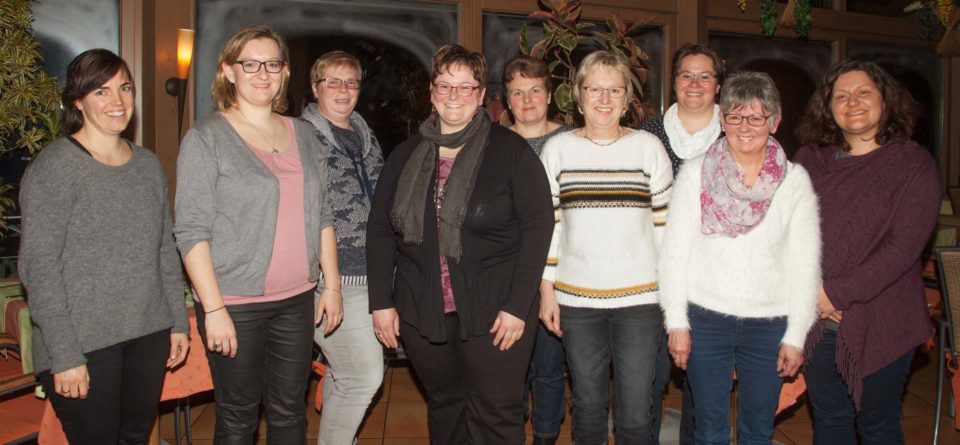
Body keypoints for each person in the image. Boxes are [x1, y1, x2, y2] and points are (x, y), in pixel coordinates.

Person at [367, 44, 554, 444]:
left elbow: (538, 229)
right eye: (445, 85)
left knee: (495, 413)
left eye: (465, 86)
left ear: (481, 95)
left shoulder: (511, 152)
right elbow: (380, 229)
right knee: (446, 405)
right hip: (422, 310)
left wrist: (517, 306)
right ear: (432, 92)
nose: (454, 95)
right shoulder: (405, 155)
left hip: (496, 311)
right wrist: (381, 301)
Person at [174, 26, 341, 444]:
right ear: (228, 71)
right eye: (250, 64)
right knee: (238, 417)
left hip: (297, 298)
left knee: (290, 413)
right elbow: (191, 230)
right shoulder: (206, 137)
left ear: (285, 72)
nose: (262, 74)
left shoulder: (304, 134)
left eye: (272, 64)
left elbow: (323, 214)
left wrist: (332, 285)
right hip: (235, 303)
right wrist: (213, 309)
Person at [19, 48, 189, 443]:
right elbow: (40, 269)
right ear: (77, 101)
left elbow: (164, 251)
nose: (118, 101)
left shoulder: (147, 164)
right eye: (101, 91)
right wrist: (64, 355)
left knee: (135, 437)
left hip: (148, 332)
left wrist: (177, 322)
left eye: (125, 88)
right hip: (82, 342)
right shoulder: (56, 167)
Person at [659, 71, 820, 445]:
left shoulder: (794, 181)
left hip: (769, 325)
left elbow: (805, 263)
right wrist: (676, 322)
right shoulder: (696, 173)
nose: (744, 127)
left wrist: (796, 334)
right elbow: (674, 253)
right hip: (705, 321)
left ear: (774, 122)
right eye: (734, 116)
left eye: (756, 117)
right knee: (709, 430)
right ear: (722, 120)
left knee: (757, 431)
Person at [794, 60, 940, 445]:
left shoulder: (913, 164)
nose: (852, 102)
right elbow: (787, 232)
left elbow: (904, 247)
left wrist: (834, 294)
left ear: (885, 101)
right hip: (817, 317)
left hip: (884, 317)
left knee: (877, 425)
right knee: (829, 419)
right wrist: (812, 292)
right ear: (828, 108)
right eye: (841, 96)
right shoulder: (809, 159)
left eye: (863, 92)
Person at [539, 50, 673, 445]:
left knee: (635, 411)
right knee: (588, 406)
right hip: (577, 302)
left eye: (615, 90)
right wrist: (546, 290)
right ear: (578, 97)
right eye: (594, 89)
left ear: (627, 98)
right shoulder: (558, 150)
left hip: (641, 301)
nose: (604, 99)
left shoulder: (649, 148)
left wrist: (672, 294)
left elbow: (666, 229)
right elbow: (550, 227)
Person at [637, 43, 724, 444]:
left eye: (705, 75)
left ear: (718, 85)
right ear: (673, 83)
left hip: (713, 282)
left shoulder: (736, 134)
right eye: (686, 75)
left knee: (703, 388)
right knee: (648, 379)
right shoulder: (646, 135)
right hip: (653, 278)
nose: (695, 83)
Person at [299, 50, 385, 445]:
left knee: (344, 373)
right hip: (330, 281)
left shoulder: (366, 135)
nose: (343, 89)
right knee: (364, 376)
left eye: (351, 82)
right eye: (333, 81)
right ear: (315, 88)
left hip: (371, 276)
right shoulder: (300, 136)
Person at [501, 54, 572, 445]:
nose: (526, 100)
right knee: (510, 368)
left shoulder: (574, 141)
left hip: (560, 273)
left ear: (549, 95)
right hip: (507, 274)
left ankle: (546, 436)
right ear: (507, 100)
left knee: (548, 365)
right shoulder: (494, 143)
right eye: (517, 92)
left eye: (534, 91)